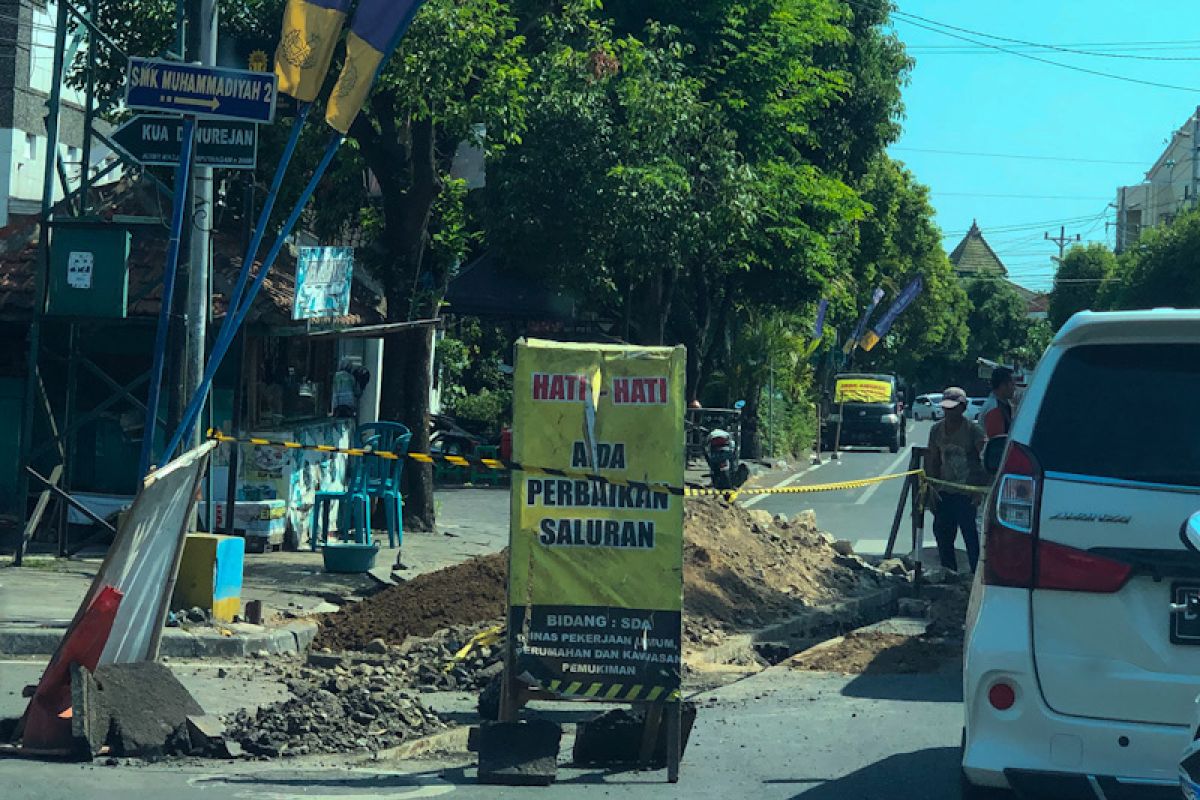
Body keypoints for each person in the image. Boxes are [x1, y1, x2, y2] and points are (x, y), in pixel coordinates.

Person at [925, 386, 986, 572]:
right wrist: (931, 489)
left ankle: (975, 575)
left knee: (971, 536)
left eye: (953, 407)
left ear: (963, 407)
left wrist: (981, 490)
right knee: (943, 534)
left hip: (968, 492)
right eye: (946, 408)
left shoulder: (973, 430)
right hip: (945, 491)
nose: (949, 412)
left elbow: (985, 460)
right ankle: (948, 572)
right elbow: (933, 460)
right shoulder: (936, 430)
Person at [979, 366, 1015, 440]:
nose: (1014, 388)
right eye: (1012, 384)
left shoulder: (1004, 404)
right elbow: (997, 442)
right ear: (1003, 386)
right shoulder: (994, 408)